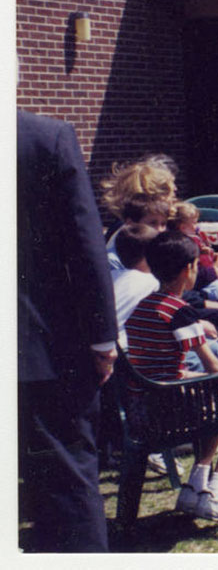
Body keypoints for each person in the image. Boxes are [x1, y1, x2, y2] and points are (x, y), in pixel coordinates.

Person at [17, 110, 118, 552]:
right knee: (67, 485)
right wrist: (102, 338)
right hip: (40, 349)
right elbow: (84, 241)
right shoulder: (44, 138)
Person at [125, 231, 218, 527]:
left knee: (217, 395)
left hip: (142, 406)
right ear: (189, 269)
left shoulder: (143, 308)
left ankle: (195, 485)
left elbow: (160, 367)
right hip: (168, 412)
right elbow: (212, 363)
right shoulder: (179, 311)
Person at [112, 223, 218, 412]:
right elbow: (207, 359)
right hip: (168, 385)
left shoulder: (121, 280)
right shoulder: (150, 283)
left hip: (138, 374)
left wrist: (202, 304)